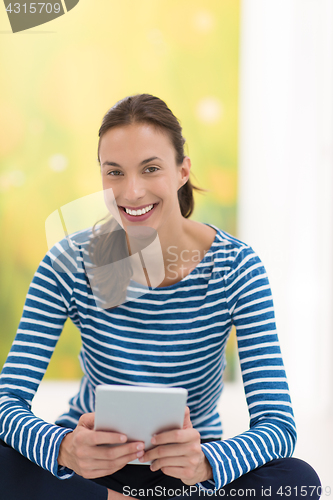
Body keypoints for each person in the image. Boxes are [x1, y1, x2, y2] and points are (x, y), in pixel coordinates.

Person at [0, 94, 321, 500]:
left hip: (189, 471)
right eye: (114, 172)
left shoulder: (236, 267)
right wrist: (64, 448)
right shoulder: (69, 262)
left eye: (150, 169)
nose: (132, 192)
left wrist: (206, 463)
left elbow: (277, 426)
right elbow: (6, 402)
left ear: (182, 171)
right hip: (91, 470)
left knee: (297, 480)